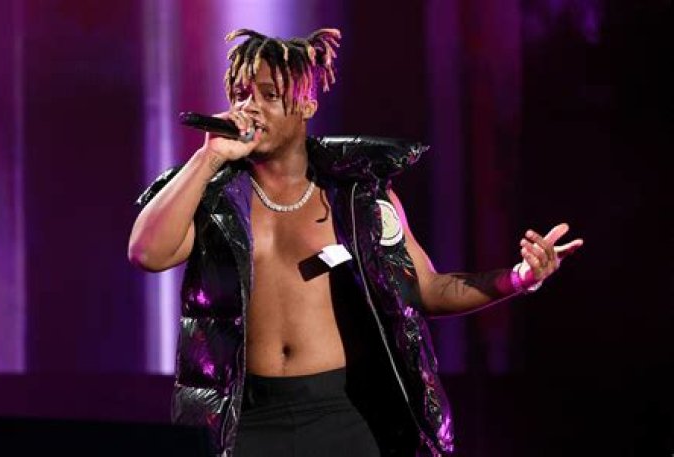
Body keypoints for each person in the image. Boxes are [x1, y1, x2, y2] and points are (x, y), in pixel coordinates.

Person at [128, 28, 583, 457]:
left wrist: (518, 278)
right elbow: (147, 253)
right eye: (242, 94)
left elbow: (426, 289)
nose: (251, 108)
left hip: (341, 414)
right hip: (247, 419)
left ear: (306, 105)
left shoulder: (357, 199)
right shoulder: (217, 196)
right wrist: (208, 157)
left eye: (269, 95)